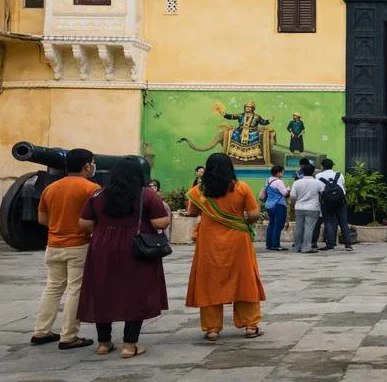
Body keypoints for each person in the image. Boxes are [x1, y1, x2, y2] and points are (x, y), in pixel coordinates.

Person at [78, 158, 170, 358]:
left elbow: (84, 224)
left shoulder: (98, 194)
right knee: (135, 293)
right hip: (134, 248)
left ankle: (104, 343)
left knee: (103, 290)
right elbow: (160, 222)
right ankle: (129, 345)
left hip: (101, 248)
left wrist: (105, 229)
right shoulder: (147, 196)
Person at [185, 153, 266, 341]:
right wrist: (241, 222)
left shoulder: (199, 190)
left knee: (209, 281)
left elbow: (192, 211)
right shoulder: (241, 187)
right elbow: (253, 214)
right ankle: (250, 325)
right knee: (244, 278)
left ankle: (212, 329)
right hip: (238, 240)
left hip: (209, 241)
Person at [30, 148, 98, 350]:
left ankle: (41, 331)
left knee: (52, 288)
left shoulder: (50, 188)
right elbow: (94, 219)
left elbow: (42, 219)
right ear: (87, 166)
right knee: (75, 290)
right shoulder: (91, 188)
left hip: (53, 244)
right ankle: (69, 335)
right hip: (79, 244)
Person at [317, 158, 352, 252]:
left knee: (328, 222)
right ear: (332, 165)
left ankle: (330, 244)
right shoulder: (339, 175)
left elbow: (319, 190)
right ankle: (348, 244)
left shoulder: (318, 176)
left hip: (327, 202)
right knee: (343, 223)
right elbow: (343, 186)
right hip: (340, 202)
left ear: (322, 166)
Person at [290, 163, 323, 254]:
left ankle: (297, 247)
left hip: (299, 207)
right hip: (313, 208)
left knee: (299, 227)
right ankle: (306, 247)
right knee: (309, 228)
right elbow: (323, 193)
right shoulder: (318, 182)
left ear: (303, 172)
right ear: (313, 172)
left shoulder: (296, 183)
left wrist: (293, 206)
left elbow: (292, 196)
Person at [261, 165, 289, 251]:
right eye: (282, 172)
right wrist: (288, 189)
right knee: (278, 225)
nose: (283, 173)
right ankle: (276, 245)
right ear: (278, 173)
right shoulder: (279, 182)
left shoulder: (268, 180)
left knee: (271, 224)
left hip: (269, 205)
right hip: (278, 205)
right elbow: (285, 194)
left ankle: (269, 244)